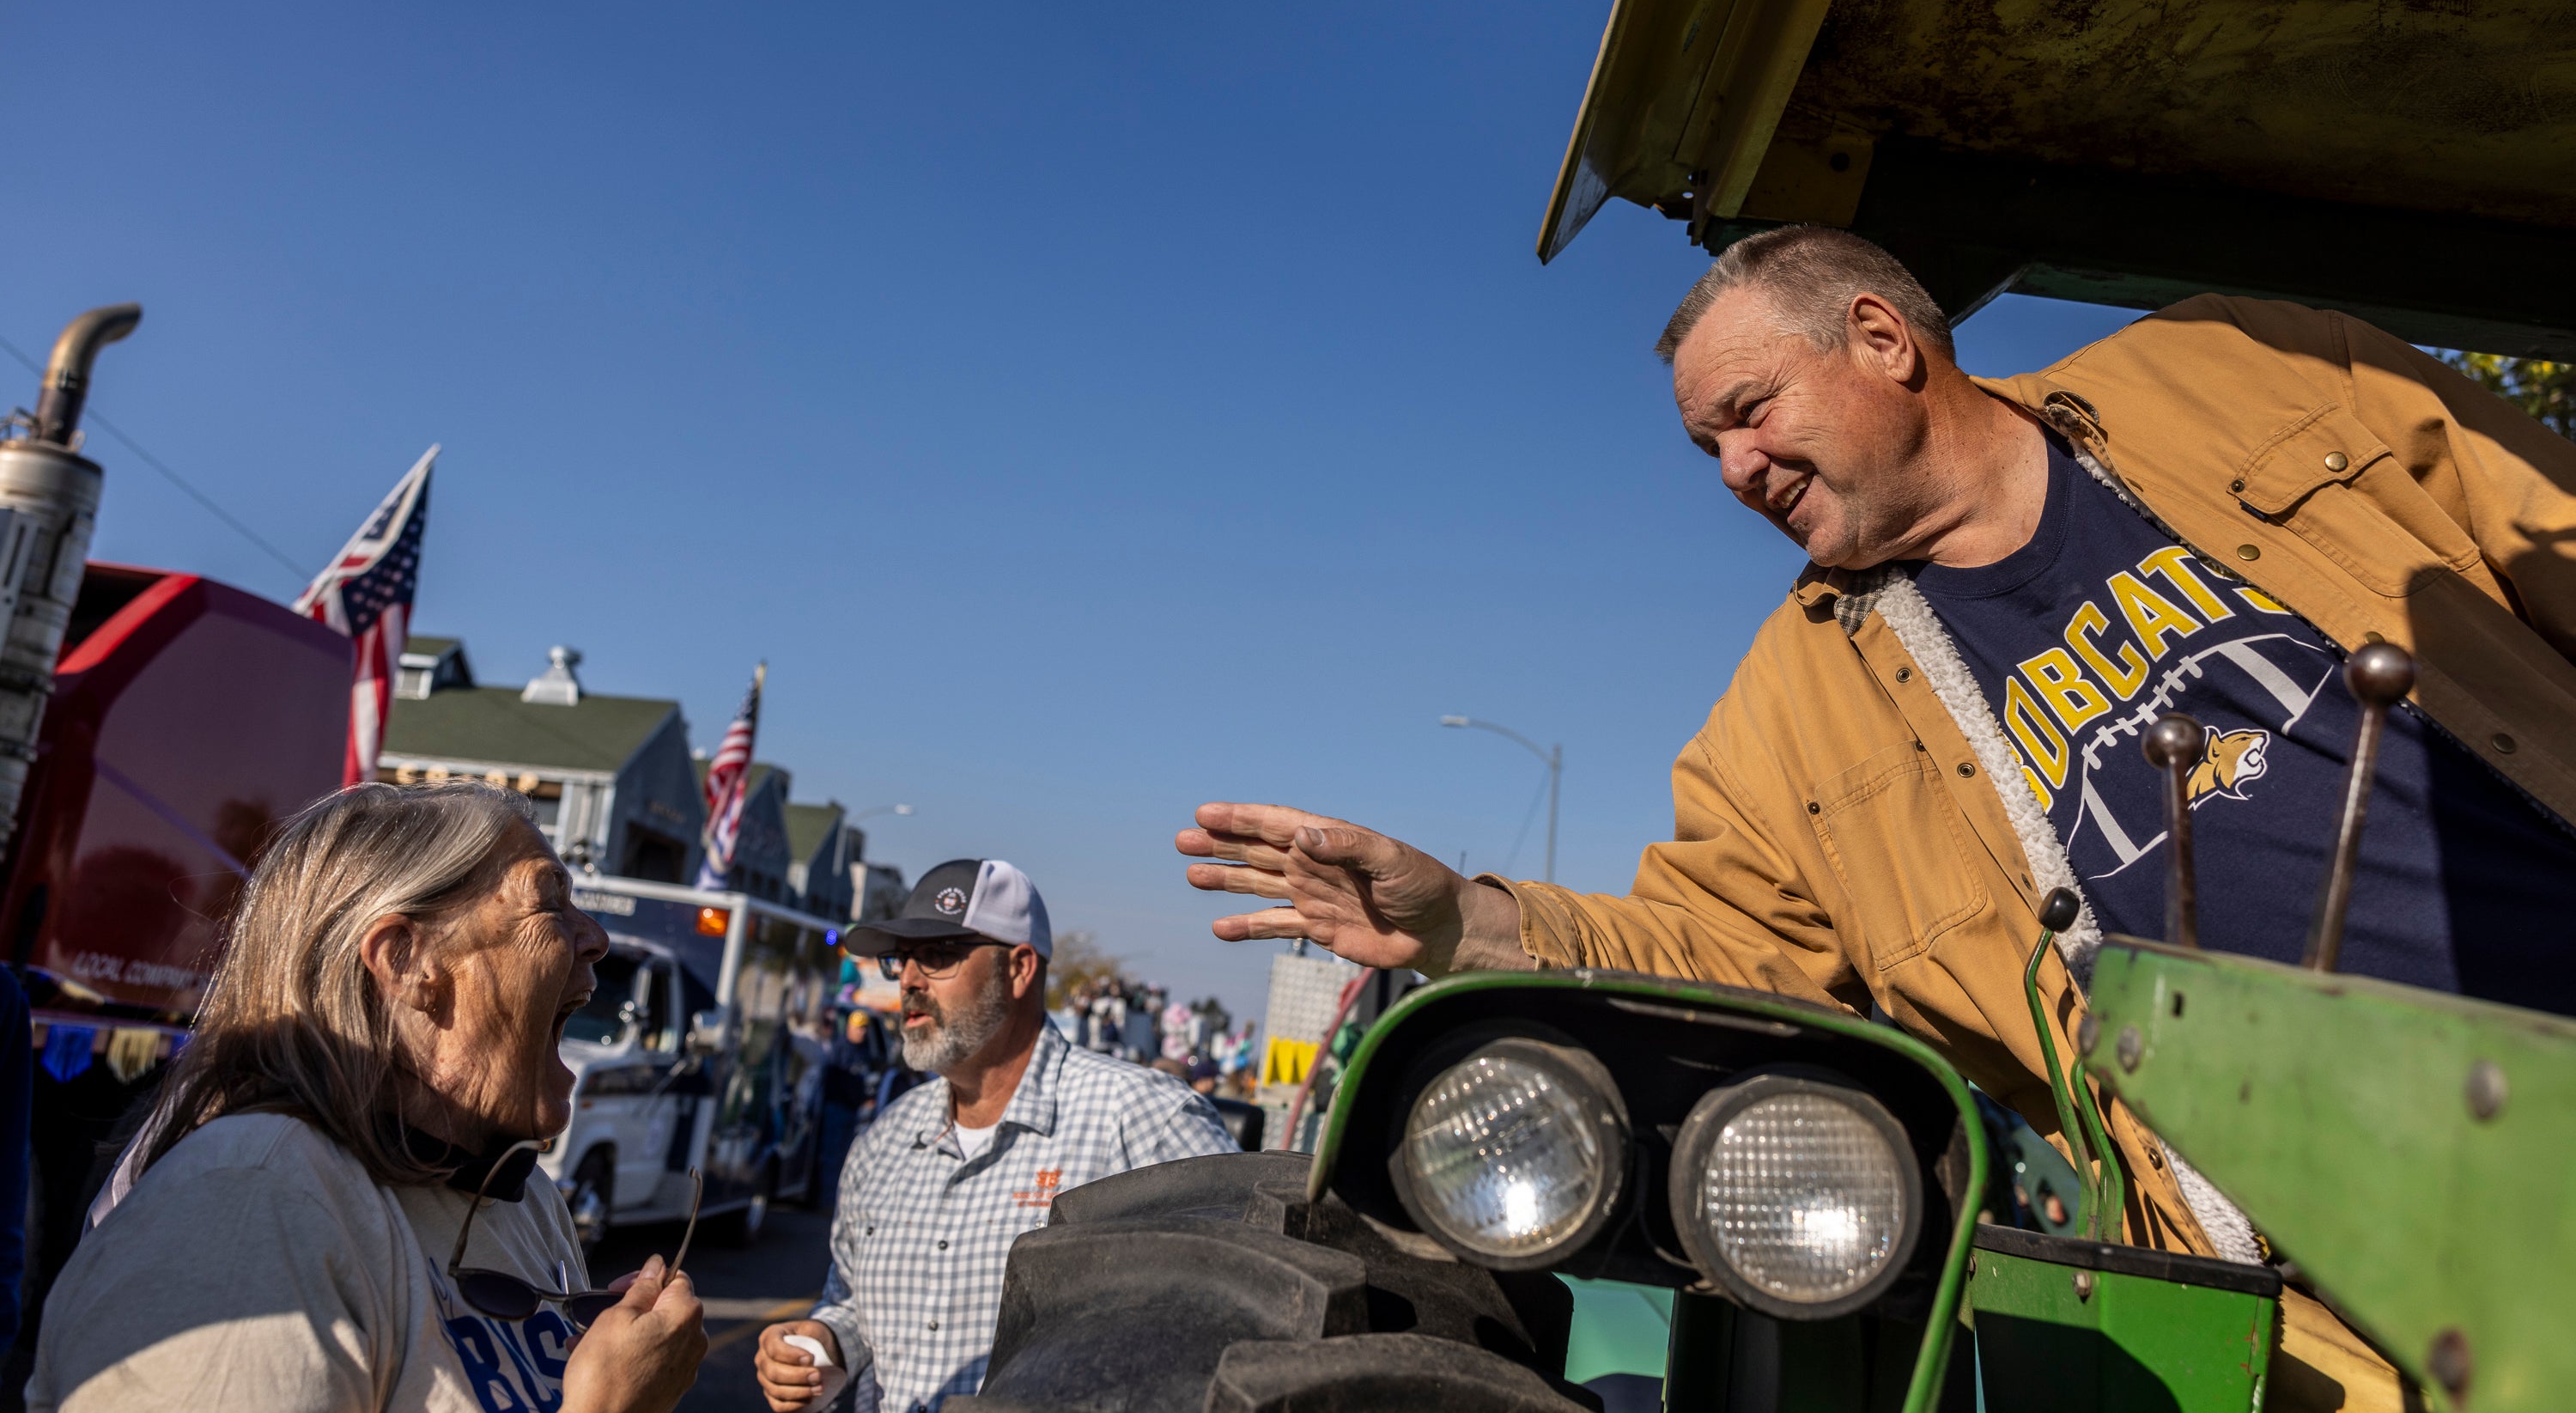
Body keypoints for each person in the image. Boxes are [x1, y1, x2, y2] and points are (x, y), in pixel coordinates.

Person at [1176, 225, 2576, 1413]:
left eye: (1750, 410)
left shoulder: (2244, 372)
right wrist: (1460, 920)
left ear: (1882, 340)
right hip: (2359, 1289)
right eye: (1707, 445)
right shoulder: (1786, 718)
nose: (1734, 469)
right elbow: (1714, 952)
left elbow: (2543, 526)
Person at [31, 783, 707, 1413]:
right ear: (407, 962)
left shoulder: (522, 1198)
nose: (596, 938)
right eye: (549, 901)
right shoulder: (244, 1204)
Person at [755, 858, 1237, 1413]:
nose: (908, 979)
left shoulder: (1144, 1119)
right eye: (900, 958)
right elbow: (851, 1304)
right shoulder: (883, 1142)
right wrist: (825, 1342)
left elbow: (1229, 1325)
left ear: (1019, 968)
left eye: (938, 955)